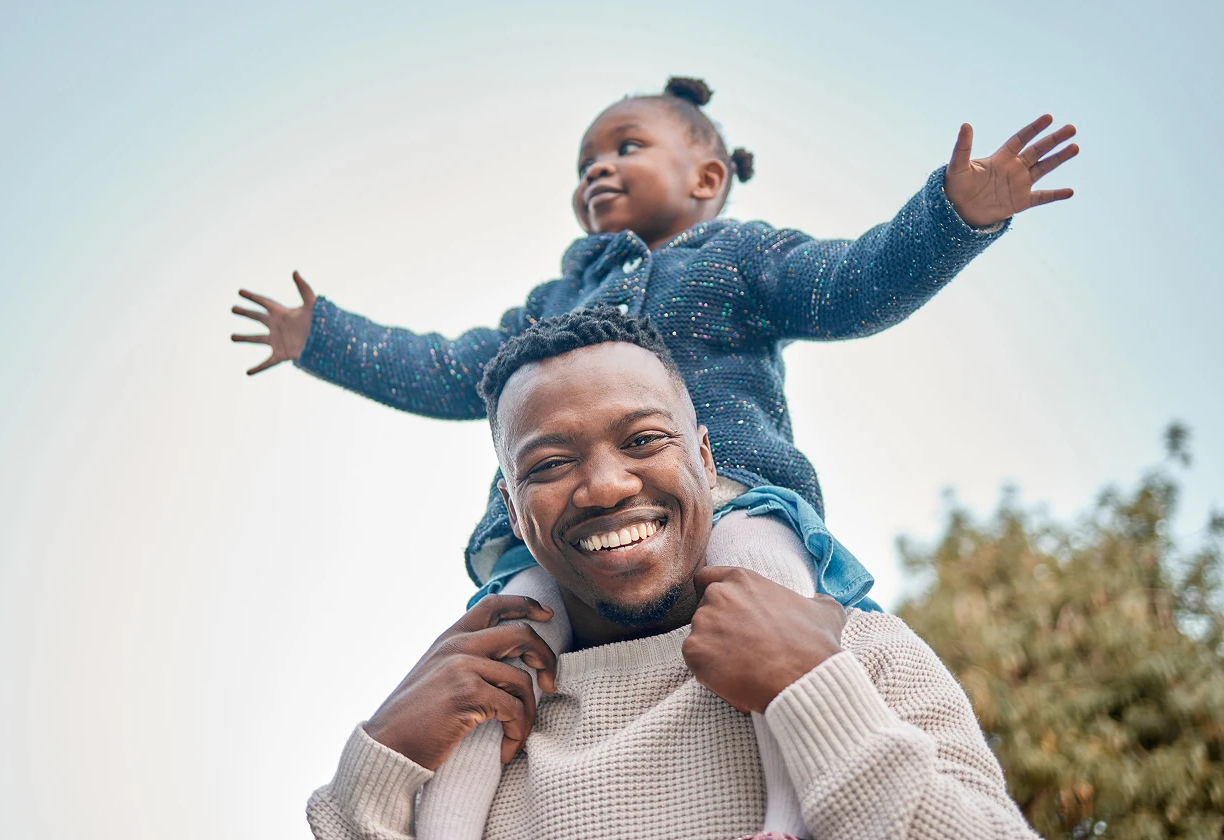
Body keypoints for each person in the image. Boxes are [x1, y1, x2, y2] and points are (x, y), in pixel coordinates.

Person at [230, 77, 1079, 608]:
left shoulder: (739, 257)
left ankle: (790, 809)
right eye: (584, 161)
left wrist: (955, 218)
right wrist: (327, 339)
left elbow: (852, 284)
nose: (596, 169)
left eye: (625, 147)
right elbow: (455, 370)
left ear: (707, 179)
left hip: (730, 496)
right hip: (562, 533)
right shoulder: (557, 304)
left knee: (766, 589)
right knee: (494, 644)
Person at [306, 310, 1040, 840]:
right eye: (550, 465)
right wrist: (380, 761)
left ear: (708, 461)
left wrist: (813, 692)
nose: (604, 487)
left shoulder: (862, 656)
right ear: (511, 508)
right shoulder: (472, 728)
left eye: (644, 440)